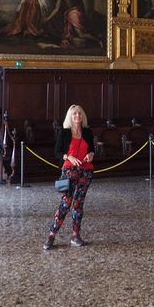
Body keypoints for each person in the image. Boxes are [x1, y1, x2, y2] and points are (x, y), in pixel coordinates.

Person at [43, 104, 95, 250]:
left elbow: (92, 149)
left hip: (86, 171)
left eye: (79, 113)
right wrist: (69, 157)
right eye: (74, 114)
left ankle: (75, 235)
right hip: (69, 171)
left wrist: (91, 155)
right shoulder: (64, 132)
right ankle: (52, 235)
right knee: (66, 203)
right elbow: (57, 152)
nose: (77, 116)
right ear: (70, 117)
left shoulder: (87, 132)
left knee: (78, 204)